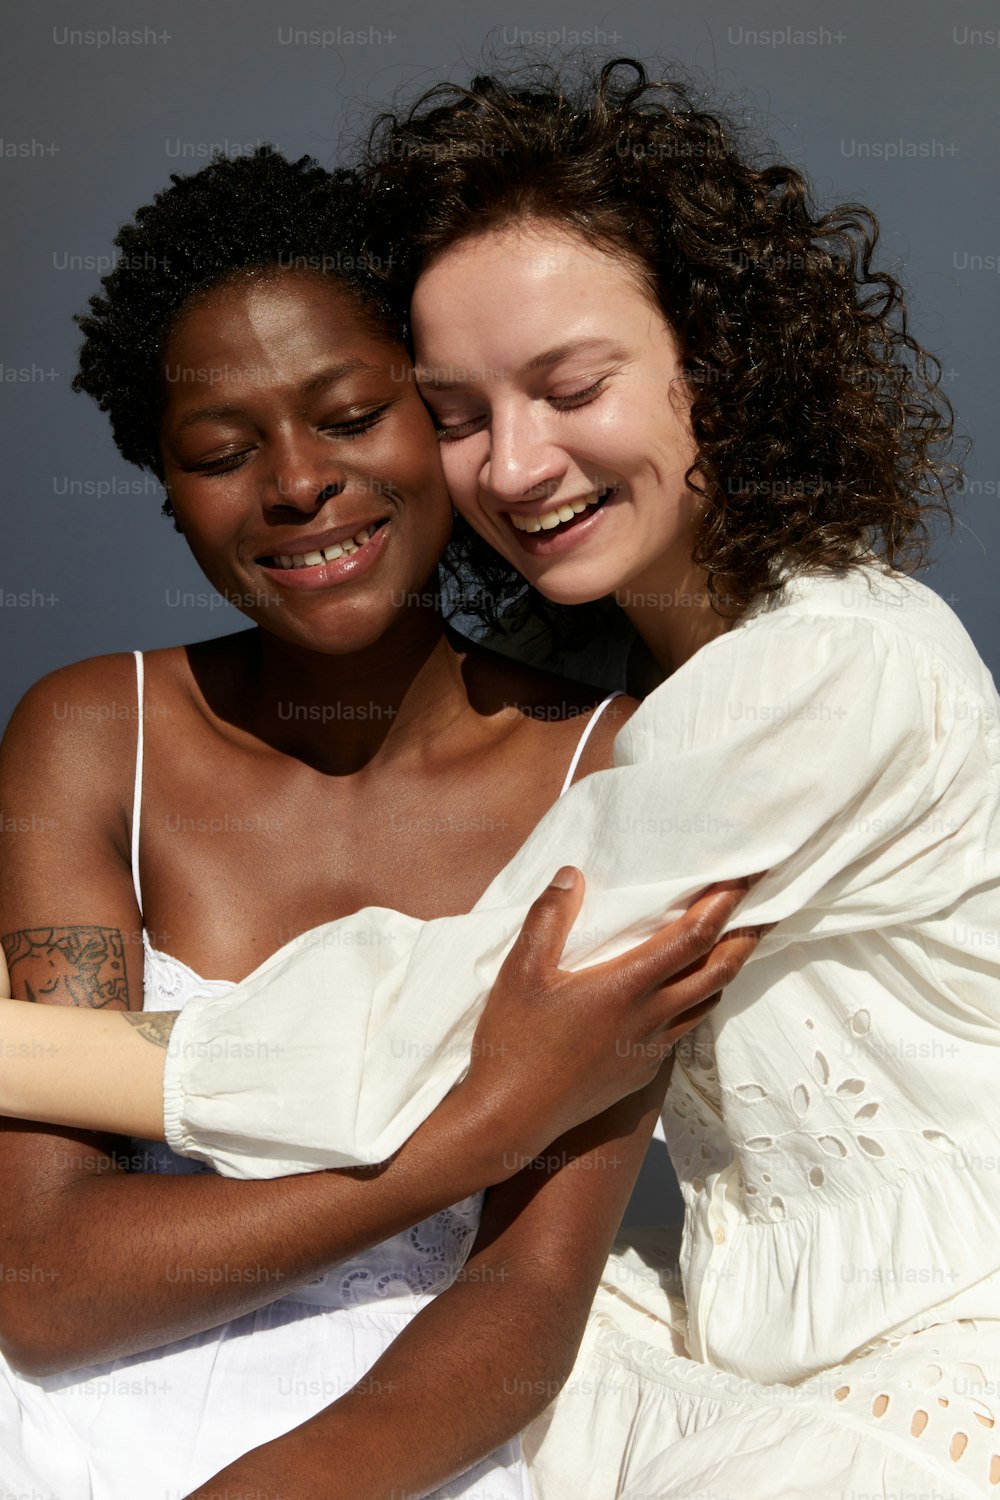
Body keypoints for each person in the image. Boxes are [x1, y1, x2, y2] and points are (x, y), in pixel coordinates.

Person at [116, 61, 997, 1500]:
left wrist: (23, 1051)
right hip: (717, 1332)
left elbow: (452, 1018)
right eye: (457, 414)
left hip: (937, 1356)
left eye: (571, 388)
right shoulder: (565, 673)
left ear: (715, 361)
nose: (516, 466)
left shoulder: (839, 667)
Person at [0, 147, 754, 1500]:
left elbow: (524, 1301)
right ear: (165, 485)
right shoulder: (93, 736)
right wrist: (468, 1141)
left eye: (350, 416)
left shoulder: (614, 771)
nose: (294, 483)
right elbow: (45, 1283)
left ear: (442, 424)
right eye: (221, 453)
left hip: (410, 1441)